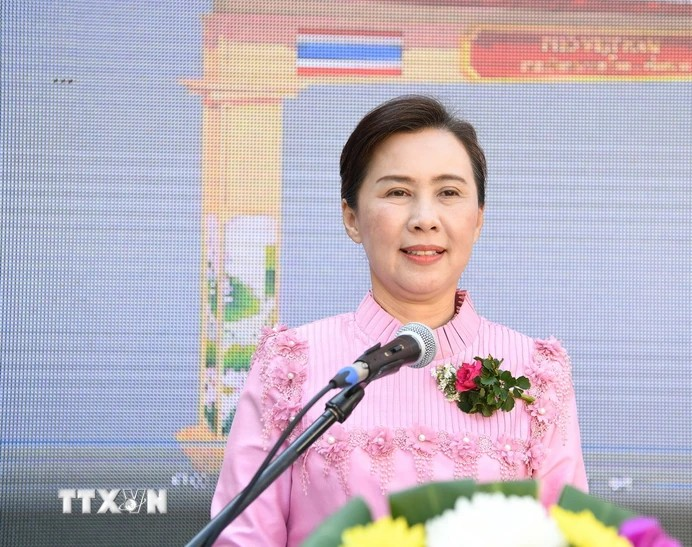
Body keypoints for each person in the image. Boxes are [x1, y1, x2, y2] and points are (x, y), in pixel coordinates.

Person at [210, 95, 587, 545]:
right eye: (397, 193)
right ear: (352, 218)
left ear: (478, 219)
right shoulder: (292, 366)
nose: (424, 219)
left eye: (449, 193)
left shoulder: (535, 373)